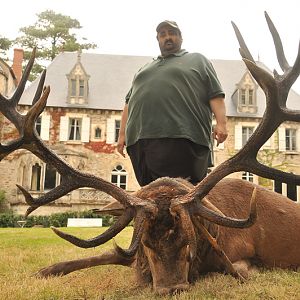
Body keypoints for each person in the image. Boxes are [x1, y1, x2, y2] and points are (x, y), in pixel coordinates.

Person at [117, 20, 228, 186]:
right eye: (163, 34)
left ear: (181, 38)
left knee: (180, 194)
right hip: (140, 141)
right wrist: (122, 135)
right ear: (158, 39)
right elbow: (129, 102)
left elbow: (215, 94)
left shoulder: (197, 60)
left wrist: (222, 123)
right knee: (151, 197)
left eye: (172, 33)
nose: (167, 37)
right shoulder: (144, 69)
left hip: (181, 135)